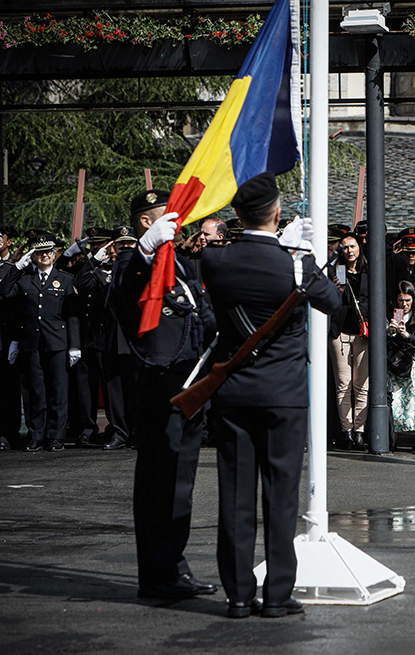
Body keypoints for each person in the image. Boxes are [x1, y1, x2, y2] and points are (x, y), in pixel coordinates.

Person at [201, 172, 341, 619]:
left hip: (235, 393)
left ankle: (239, 594)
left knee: (235, 496)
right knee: (280, 497)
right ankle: (278, 594)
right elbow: (333, 301)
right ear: (277, 214)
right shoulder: (296, 263)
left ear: (237, 216)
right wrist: (306, 256)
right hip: (283, 394)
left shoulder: (215, 260)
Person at [112, 189, 217, 601]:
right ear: (146, 222)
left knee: (181, 484)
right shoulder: (134, 263)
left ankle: (173, 565)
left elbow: (202, 316)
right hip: (160, 390)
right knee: (159, 483)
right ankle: (158, 574)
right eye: (164, 218)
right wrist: (142, 250)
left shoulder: (181, 267)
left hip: (191, 389)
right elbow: (121, 293)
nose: (176, 224)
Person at [2, 232, 81, 452]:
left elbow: (72, 315)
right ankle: (36, 434)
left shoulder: (66, 279)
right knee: (35, 391)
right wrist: (16, 267)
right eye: (39, 252)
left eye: (49, 251)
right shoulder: (25, 278)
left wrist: (74, 345)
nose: (45, 255)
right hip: (31, 342)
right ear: (33, 256)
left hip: (57, 342)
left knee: (58, 390)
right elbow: (5, 292)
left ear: (55, 254)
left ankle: (56, 436)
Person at [73, 227, 132, 450]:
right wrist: (95, 261)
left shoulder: (138, 268)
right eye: (120, 245)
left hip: (133, 338)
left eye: (129, 245)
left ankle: (134, 430)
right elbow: (82, 283)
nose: (124, 249)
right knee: (114, 388)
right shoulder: (101, 269)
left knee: (134, 388)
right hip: (108, 338)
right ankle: (119, 431)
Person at [329, 232, 369, 451]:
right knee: (343, 384)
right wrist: (337, 290)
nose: (349, 251)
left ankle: (360, 431)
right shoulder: (336, 271)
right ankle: (347, 431)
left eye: (352, 246)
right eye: (344, 247)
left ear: (359, 247)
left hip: (364, 333)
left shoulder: (369, 270)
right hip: (340, 332)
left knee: (361, 384)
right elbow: (331, 302)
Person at [388, 281, 415, 453]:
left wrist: (406, 335)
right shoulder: (393, 313)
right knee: (396, 400)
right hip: (398, 362)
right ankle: (395, 436)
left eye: (407, 300)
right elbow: (389, 340)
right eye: (401, 301)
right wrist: (391, 331)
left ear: (414, 299)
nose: (404, 304)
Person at [0, 225, 21, 451]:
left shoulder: (12, 268)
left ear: (8, 242)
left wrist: (15, 338)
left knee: (7, 389)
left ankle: (8, 433)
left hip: (5, 335)